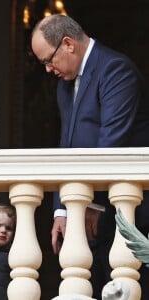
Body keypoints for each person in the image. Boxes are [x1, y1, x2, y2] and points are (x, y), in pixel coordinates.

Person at [31, 14, 149, 299]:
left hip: (130, 210)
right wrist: (62, 207)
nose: (47, 69)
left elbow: (111, 142)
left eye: (48, 60)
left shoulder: (115, 70)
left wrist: (91, 205)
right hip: (88, 207)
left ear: (68, 44)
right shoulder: (64, 84)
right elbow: (67, 146)